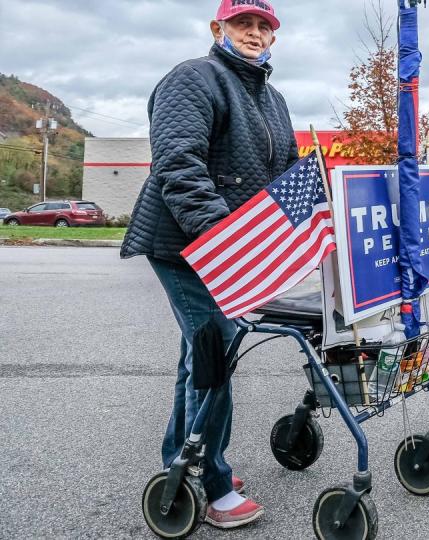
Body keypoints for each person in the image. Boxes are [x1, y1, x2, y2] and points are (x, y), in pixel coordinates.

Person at [121, 0, 297, 529]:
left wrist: (298, 232)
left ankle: (185, 458)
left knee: (200, 353)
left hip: (231, 247)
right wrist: (224, 238)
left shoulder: (274, 98)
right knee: (218, 347)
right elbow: (179, 162)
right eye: (243, 22)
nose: (254, 32)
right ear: (217, 27)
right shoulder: (193, 78)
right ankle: (213, 481)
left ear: (273, 38)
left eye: (263, 25)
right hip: (183, 242)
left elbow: (285, 172)